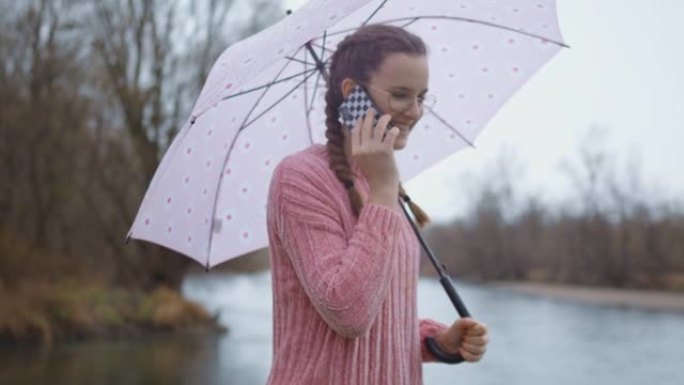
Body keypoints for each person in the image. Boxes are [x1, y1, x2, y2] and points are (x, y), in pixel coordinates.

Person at [265, 24, 489, 385]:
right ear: (354, 95)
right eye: (401, 95)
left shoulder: (387, 190)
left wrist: (437, 342)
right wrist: (385, 188)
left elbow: (385, 320)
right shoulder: (300, 179)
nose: (415, 112)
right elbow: (348, 312)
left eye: (422, 96)